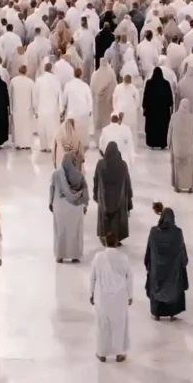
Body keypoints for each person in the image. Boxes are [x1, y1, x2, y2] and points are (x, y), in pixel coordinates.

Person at [89, 233, 133, 363]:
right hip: (119, 297)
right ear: (116, 242)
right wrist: (130, 295)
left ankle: (102, 353)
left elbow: (93, 277)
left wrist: (91, 293)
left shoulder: (98, 258)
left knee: (103, 326)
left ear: (105, 242)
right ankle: (119, 354)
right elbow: (129, 278)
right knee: (119, 325)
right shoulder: (124, 258)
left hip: (102, 297)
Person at [144, 206, 189, 320]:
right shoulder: (178, 233)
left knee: (156, 286)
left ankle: (157, 313)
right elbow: (182, 252)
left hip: (157, 271)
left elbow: (149, 250)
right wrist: (183, 262)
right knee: (173, 286)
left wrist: (148, 263)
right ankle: (172, 312)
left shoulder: (154, 232)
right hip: (173, 272)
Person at [49, 153, 89, 263]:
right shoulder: (79, 175)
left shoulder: (56, 174)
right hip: (75, 209)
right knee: (75, 232)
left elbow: (52, 189)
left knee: (61, 232)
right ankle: (75, 256)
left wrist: (50, 203)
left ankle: (60, 256)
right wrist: (85, 205)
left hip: (60, 208)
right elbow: (85, 191)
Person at [93, 140, 132, 244]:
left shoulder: (100, 164)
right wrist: (129, 202)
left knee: (105, 219)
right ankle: (116, 238)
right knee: (117, 219)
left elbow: (96, 180)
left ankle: (105, 236)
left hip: (104, 198)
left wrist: (95, 195)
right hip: (119, 199)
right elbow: (127, 183)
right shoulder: (122, 165)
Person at [167, 98, 193, 192]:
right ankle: (191, 187)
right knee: (191, 168)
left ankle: (177, 186)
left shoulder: (174, 117)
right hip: (190, 150)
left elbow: (170, 131)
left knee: (177, 168)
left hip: (177, 149)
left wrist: (168, 143)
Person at [142, 66, 173, 149]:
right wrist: (170, 105)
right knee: (162, 127)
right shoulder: (166, 84)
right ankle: (162, 143)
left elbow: (145, 96)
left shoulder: (149, 83)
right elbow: (170, 98)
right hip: (163, 112)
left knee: (152, 127)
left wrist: (144, 107)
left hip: (151, 111)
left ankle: (152, 143)